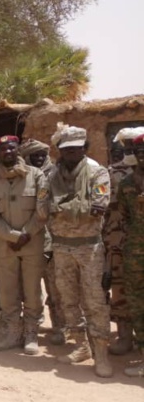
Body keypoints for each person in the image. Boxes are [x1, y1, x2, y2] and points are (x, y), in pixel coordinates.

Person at [47, 125, 113, 377]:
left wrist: (59, 207)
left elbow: (97, 208)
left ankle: (101, 353)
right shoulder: (53, 175)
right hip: (61, 246)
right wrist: (74, 206)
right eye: (67, 150)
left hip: (89, 247)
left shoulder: (98, 172)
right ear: (60, 151)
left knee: (95, 301)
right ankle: (81, 346)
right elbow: (42, 209)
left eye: (76, 148)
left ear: (85, 148)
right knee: (68, 299)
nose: (72, 153)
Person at [0, 136, 49, 355]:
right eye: (2, 149)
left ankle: (31, 333)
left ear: (18, 150)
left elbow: (43, 209)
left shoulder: (36, 175)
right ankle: (13, 332)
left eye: (11, 148)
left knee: (32, 291)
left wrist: (26, 234)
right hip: (5, 245)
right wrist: (12, 236)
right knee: (7, 292)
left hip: (32, 243)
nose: (7, 152)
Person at [21, 139, 66, 344]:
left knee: (54, 286)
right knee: (29, 288)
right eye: (35, 155)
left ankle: (59, 326)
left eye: (42, 154)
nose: (39, 158)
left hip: (51, 239)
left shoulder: (56, 175)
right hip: (26, 238)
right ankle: (31, 325)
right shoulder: (21, 176)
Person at [103, 127, 142, 354]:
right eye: (126, 145)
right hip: (117, 240)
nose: (129, 149)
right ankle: (125, 336)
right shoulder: (112, 174)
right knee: (119, 288)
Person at [118, 134, 144, 376]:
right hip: (135, 256)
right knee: (138, 306)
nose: (143, 155)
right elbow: (124, 218)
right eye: (140, 151)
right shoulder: (126, 184)